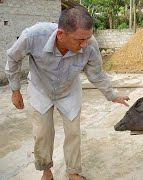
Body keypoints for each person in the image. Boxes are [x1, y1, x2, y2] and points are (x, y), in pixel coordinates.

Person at [5, 6, 130, 180]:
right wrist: (15, 90)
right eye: (80, 40)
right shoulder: (33, 36)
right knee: (42, 134)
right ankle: (46, 171)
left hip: (69, 91)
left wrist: (112, 94)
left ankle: (73, 172)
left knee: (73, 133)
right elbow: (13, 58)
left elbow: (96, 73)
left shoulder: (89, 45)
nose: (84, 44)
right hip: (40, 89)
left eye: (88, 38)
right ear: (61, 34)